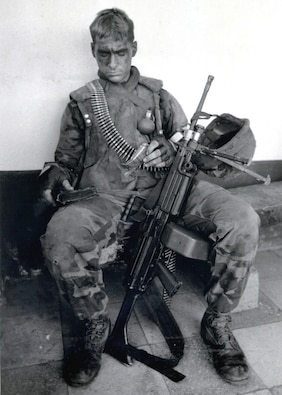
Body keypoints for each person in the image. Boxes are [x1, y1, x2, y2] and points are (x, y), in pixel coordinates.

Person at [39, 8, 260, 387]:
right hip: (105, 196)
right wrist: (55, 178)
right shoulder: (81, 104)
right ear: (93, 51)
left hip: (170, 187)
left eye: (120, 52)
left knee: (242, 219)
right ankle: (95, 324)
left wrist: (170, 153)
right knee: (60, 235)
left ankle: (217, 321)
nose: (112, 61)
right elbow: (64, 160)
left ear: (134, 48)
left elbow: (187, 148)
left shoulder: (158, 97)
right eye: (103, 52)